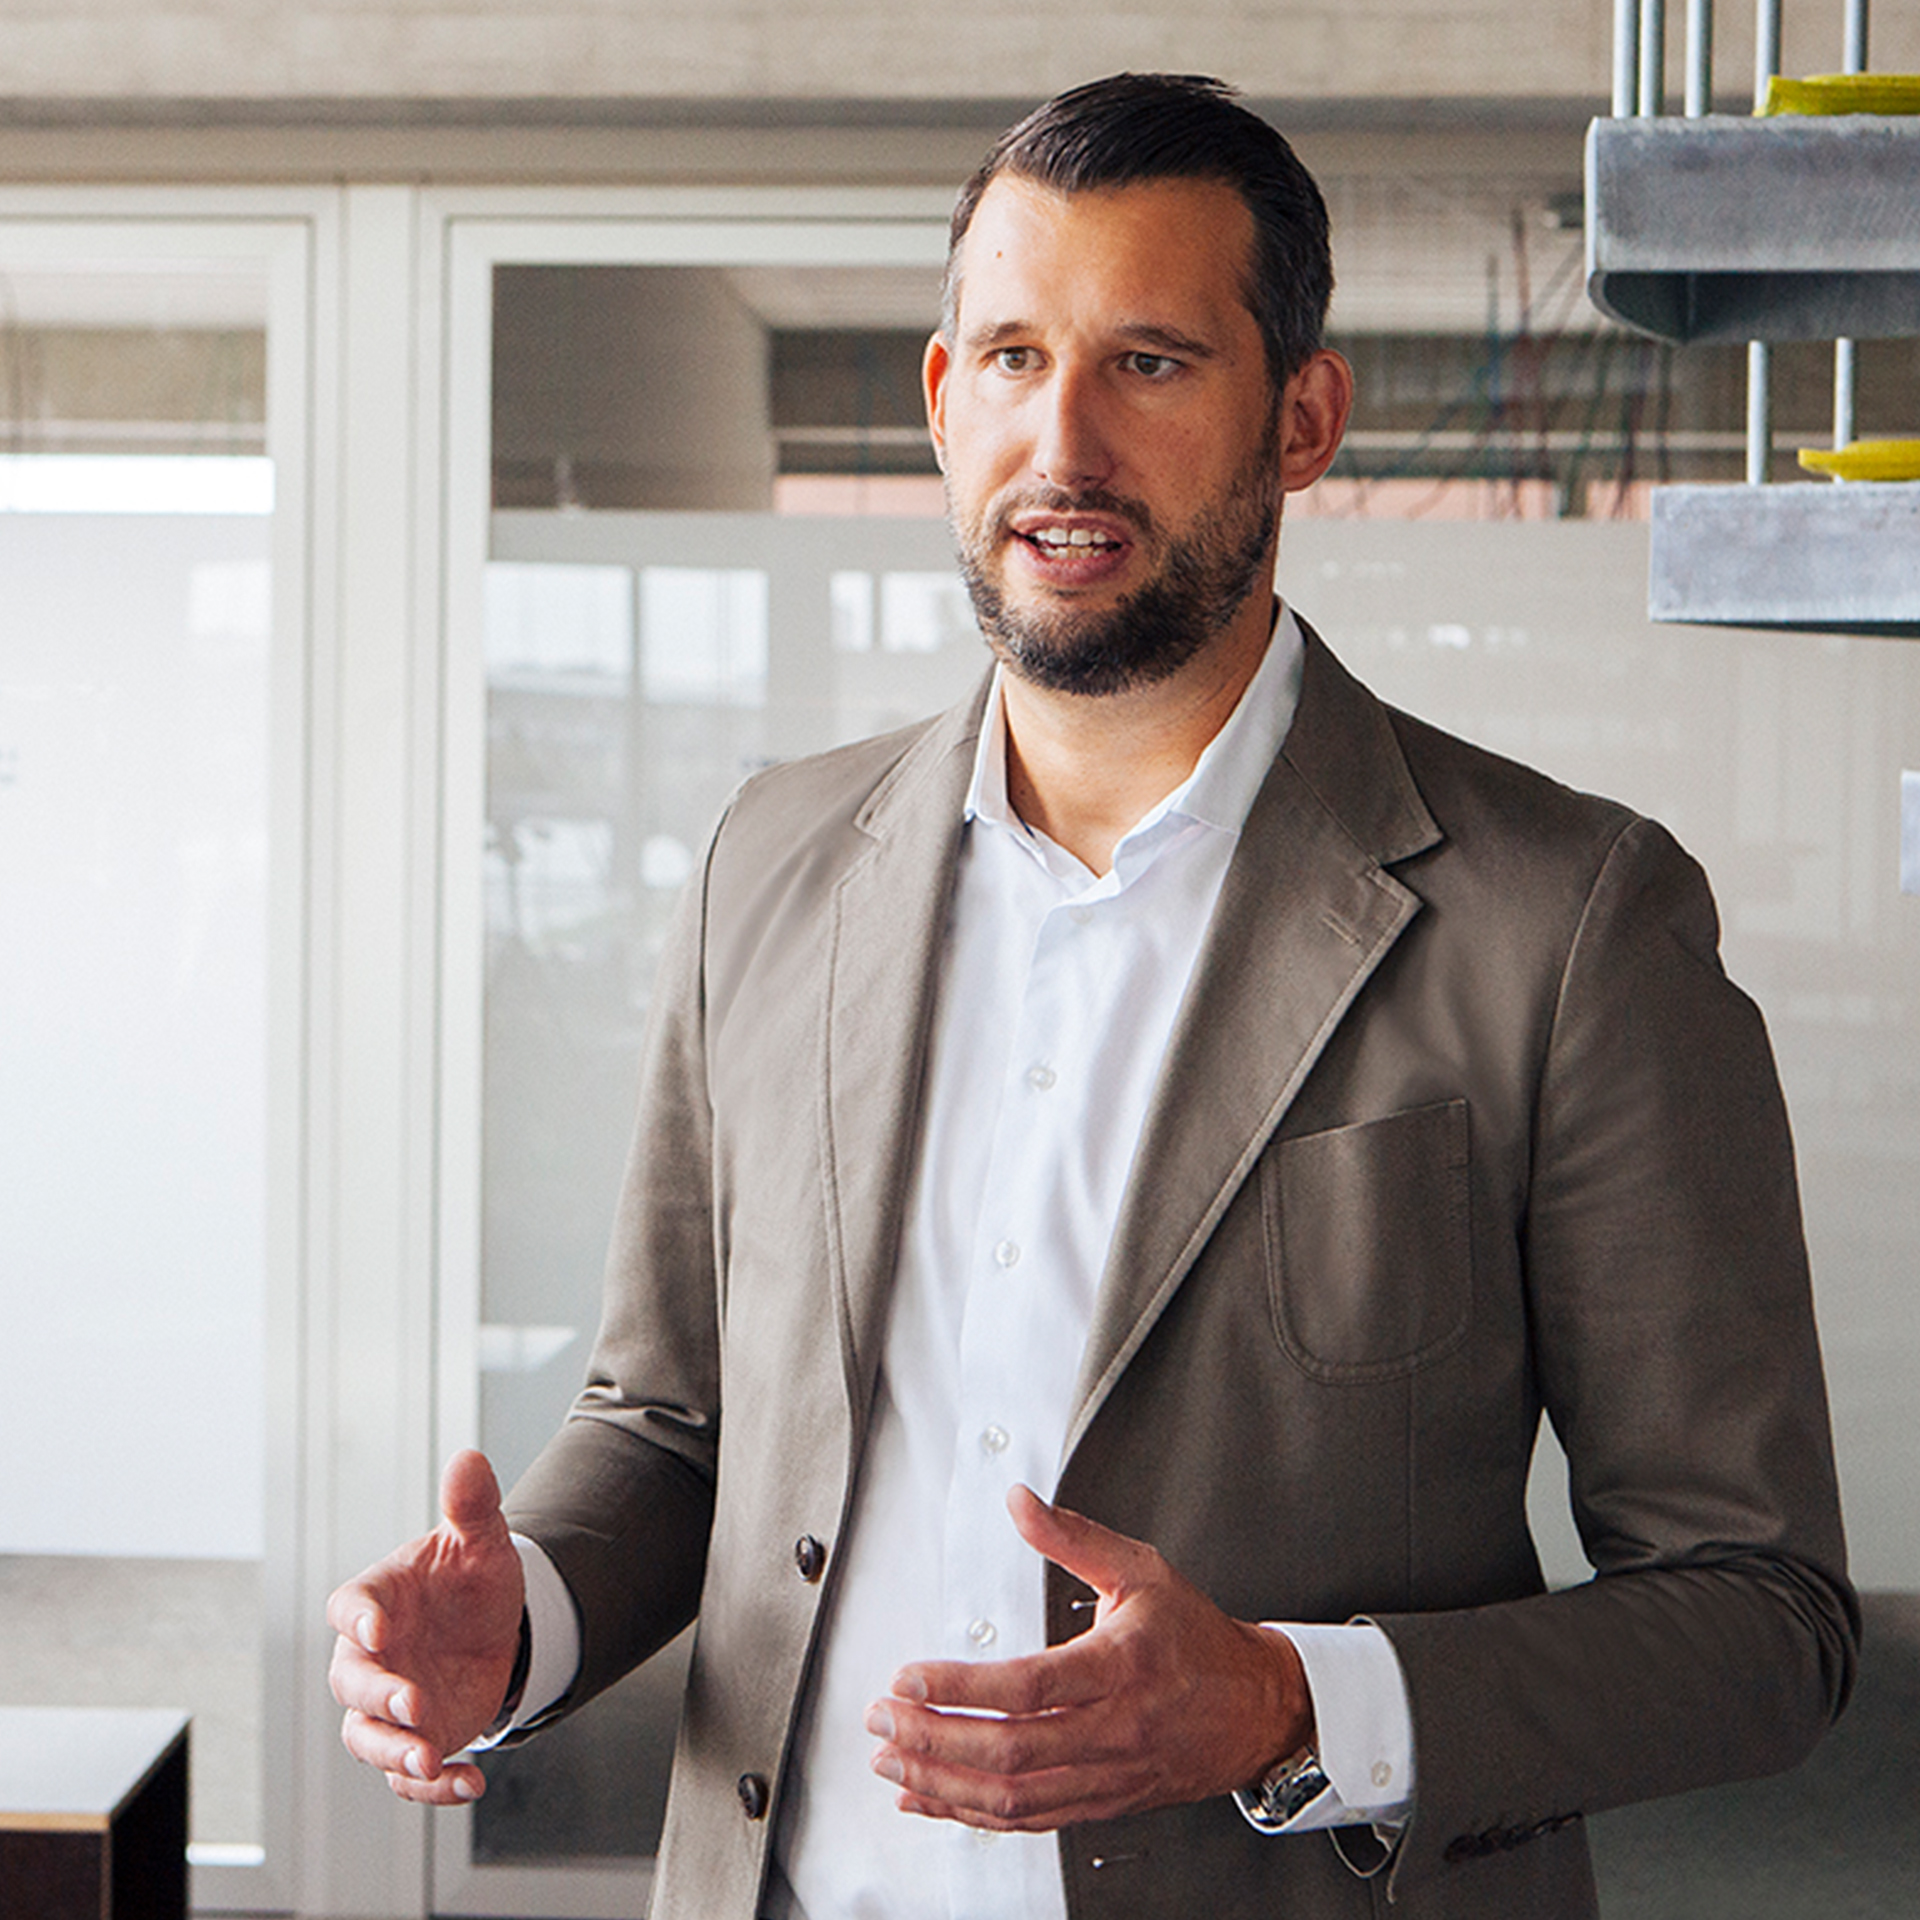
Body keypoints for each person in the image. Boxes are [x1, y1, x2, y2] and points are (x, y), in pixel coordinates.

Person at [328, 73, 1856, 1919]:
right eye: (1012, 357)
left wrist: (1293, 1704)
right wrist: (528, 1620)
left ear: (1304, 418)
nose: (1063, 441)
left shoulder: (1571, 920)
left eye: (1148, 362)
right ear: (938, 398)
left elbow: (1760, 1620)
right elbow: (676, 1424)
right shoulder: (771, 865)